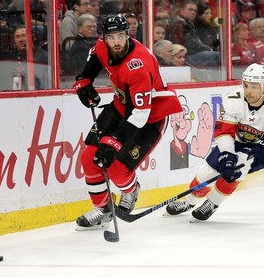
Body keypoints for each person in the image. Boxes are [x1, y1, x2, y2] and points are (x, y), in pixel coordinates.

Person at [72, 13, 182, 230]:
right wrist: (84, 79)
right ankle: (103, 209)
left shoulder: (138, 66)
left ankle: (130, 190)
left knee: (117, 168)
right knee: (88, 158)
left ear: (128, 35)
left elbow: (140, 113)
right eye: (111, 37)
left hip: (149, 117)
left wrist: (114, 140)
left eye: (120, 36)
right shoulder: (103, 45)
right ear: (104, 37)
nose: (116, 42)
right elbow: (96, 57)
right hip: (121, 106)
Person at [165, 63, 264, 221]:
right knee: (208, 171)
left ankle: (212, 203)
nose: (248, 91)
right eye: (246, 85)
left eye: (254, 87)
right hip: (237, 141)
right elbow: (224, 131)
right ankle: (189, 201)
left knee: (240, 168)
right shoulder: (233, 99)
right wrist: (227, 153)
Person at [0, 25, 48, 90]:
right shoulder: (10, 58)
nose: (20, 39)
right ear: (14, 40)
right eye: (17, 37)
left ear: (31, 37)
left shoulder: (42, 56)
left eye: (23, 36)